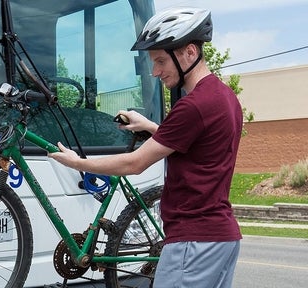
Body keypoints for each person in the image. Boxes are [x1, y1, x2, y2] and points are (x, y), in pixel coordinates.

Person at [49, 6, 243, 288]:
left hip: (193, 242)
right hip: (222, 238)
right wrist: (151, 127)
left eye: (161, 61)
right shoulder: (224, 97)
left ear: (190, 52)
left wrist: (76, 162)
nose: (155, 72)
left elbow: (134, 164)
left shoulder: (193, 106)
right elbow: (196, 143)